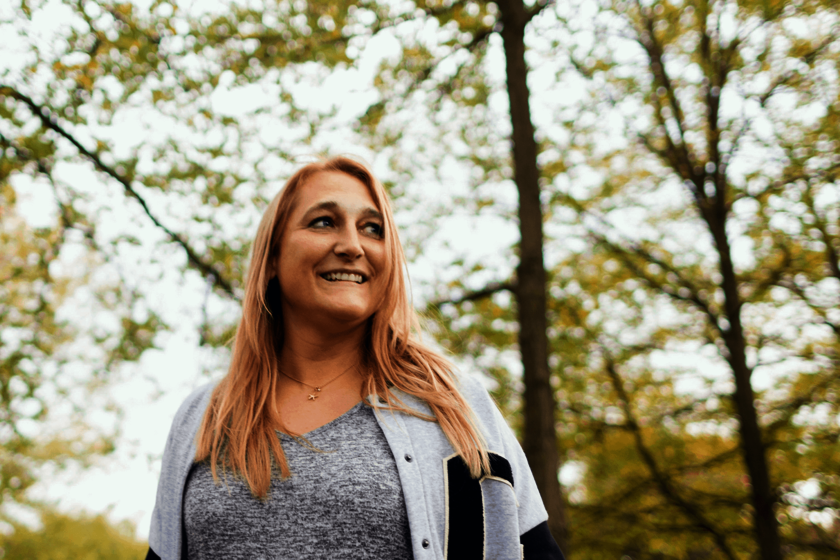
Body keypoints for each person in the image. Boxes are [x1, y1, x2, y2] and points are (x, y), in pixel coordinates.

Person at [146, 156, 565, 560]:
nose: (351, 245)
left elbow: (530, 547)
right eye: (324, 222)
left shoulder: (452, 403)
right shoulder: (204, 416)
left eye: (372, 229)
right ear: (272, 257)